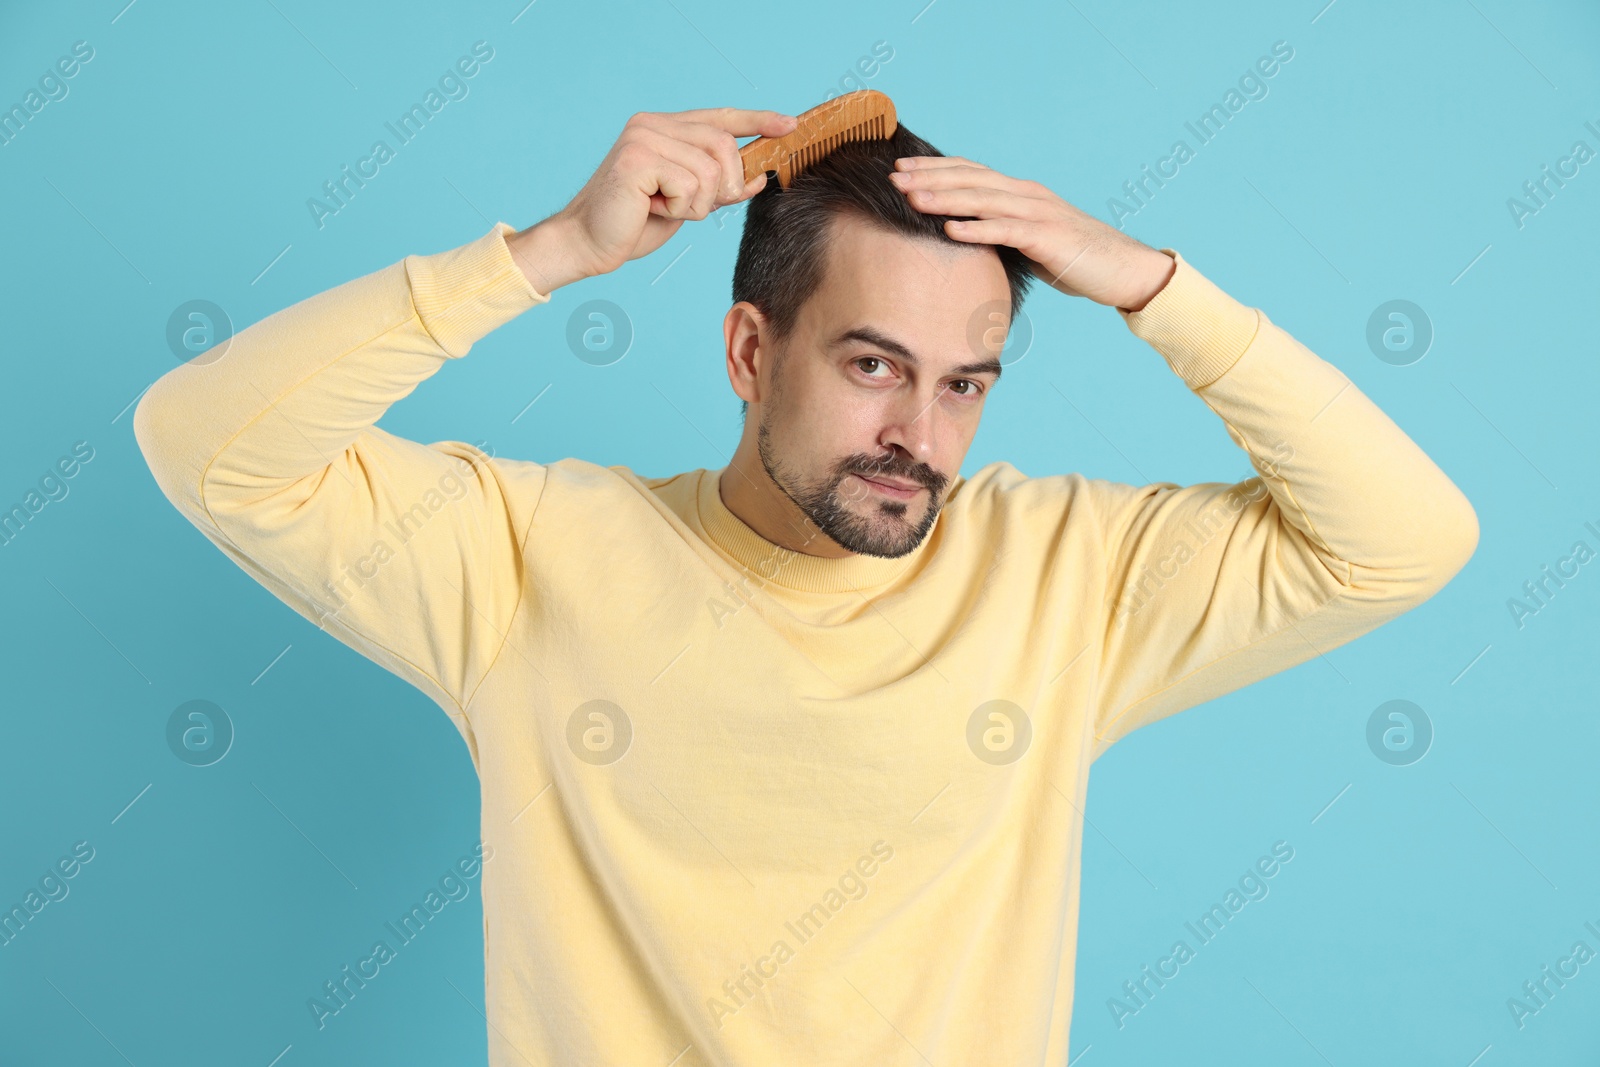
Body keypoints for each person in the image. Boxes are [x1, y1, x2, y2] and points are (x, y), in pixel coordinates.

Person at [134, 105, 1478, 1064]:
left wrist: (1151, 287)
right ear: (748, 352)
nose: (922, 438)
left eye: (966, 385)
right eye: (874, 366)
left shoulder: (1067, 577)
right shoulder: (526, 560)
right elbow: (208, 445)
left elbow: (1405, 537)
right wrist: (547, 253)